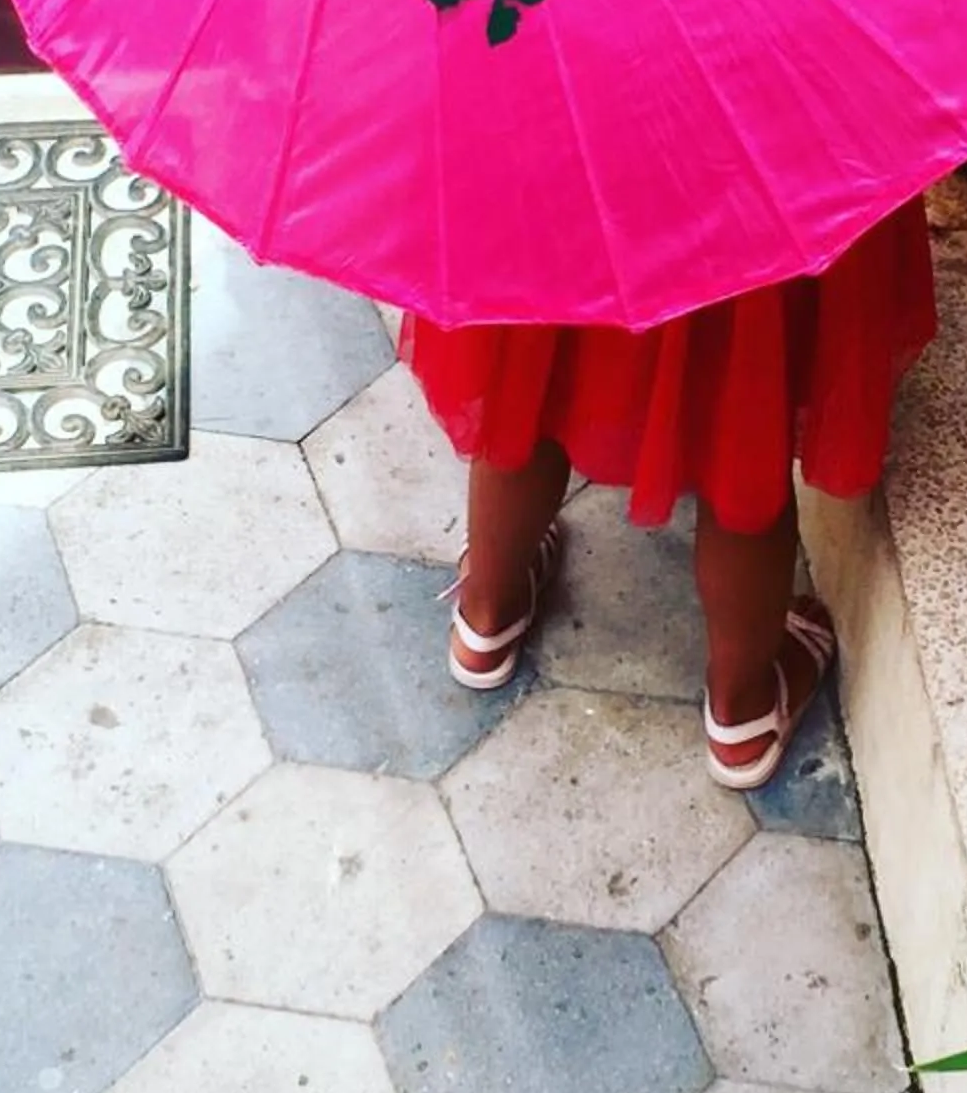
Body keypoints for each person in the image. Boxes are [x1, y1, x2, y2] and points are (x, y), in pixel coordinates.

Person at [401, 199, 937, 789]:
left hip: (577, 165)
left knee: (538, 357)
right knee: (741, 423)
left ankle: (487, 616)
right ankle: (744, 712)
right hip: (741, 202)